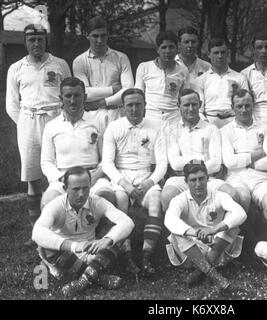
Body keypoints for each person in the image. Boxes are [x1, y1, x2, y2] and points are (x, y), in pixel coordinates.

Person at [6, 24, 72, 246]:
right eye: (31, 39)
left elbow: (69, 93)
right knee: (33, 178)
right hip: (29, 123)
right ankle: (37, 232)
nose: (36, 43)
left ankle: (65, 226)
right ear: (25, 42)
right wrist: (26, 124)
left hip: (55, 120)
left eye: (40, 39)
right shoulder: (16, 68)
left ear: (46, 41)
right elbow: (11, 105)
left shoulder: (59, 64)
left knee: (61, 174)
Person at [32, 166, 135, 298]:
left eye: (85, 188)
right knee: (44, 247)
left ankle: (82, 281)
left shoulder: (96, 202)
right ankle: (98, 277)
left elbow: (127, 222)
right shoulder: (56, 205)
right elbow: (37, 232)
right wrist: (74, 246)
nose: (81, 194)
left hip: (92, 255)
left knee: (119, 235)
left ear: (90, 186)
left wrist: (107, 239)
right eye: (75, 189)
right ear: (65, 189)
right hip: (64, 259)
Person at [102, 88, 167, 275]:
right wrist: (125, 185)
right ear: (123, 107)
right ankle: (127, 256)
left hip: (146, 175)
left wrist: (149, 182)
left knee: (155, 202)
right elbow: (107, 163)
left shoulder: (157, 126)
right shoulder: (114, 127)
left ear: (145, 105)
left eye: (138, 104)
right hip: (122, 177)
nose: (134, 109)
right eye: (129, 105)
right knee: (121, 202)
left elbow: (162, 163)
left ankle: (147, 256)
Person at [164, 161, 246, 290]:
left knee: (232, 224)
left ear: (208, 178)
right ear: (186, 181)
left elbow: (240, 213)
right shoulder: (179, 199)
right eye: (193, 180)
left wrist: (214, 230)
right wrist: (195, 233)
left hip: (216, 249)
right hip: (190, 253)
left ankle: (200, 272)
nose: (198, 184)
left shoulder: (218, 195)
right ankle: (213, 274)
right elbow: (169, 220)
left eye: (201, 179)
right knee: (178, 231)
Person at [161, 88, 239, 212]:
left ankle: (224, 231)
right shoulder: (171, 130)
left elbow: (216, 164)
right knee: (166, 195)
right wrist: (202, 159)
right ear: (178, 106)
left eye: (194, 104)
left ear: (200, 105)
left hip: (208, 178)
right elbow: (175, 164)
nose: (191, 109)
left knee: (232, 194)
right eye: (186, 105)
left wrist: (190, 165)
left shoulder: (212, 129)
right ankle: (175, 231)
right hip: (181, 179)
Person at [41, 77, 115, 207]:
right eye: (68, 96)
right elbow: (46, 162)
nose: (72, 101)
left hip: (92, 177)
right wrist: (63, 178)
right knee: (48, 201)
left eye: (77, 96)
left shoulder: (98, 122)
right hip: (63, 178)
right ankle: (60, 228)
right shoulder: (51, 126)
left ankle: (97, 228)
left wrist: (96, 175)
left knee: (106, 196)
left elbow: (107, 158)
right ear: (60, 98)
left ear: (85, 97)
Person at [221, 89, 267, 223]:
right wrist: (256, 155)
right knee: (242, 199)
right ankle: (243, 241)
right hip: (236, 178)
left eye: (247, 105)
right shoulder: (225, 131)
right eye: (239, 106)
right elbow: (229, 162)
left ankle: (263, 240)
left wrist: (245, 160)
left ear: (253, 105)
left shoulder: (265, 129)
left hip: (261, 179)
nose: (244, 110)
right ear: (232, 108)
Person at [73, 16, 134, 127]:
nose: (99, 40)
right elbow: (85, 93)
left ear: (108, 35)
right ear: (87, 36)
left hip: (117, 114)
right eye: (95, 36)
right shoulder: (79, 61)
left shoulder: (121, 58)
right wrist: (113, 89)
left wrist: (101, 103)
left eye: (103, 35)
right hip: (91, 116)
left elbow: (128, 91)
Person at [135, 30, 190, 132]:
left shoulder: (183, 70)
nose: (168, 51)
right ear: (157, 49)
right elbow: (138, 96)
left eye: (171, 47)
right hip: (151, 117)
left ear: (177, 49)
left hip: (174, 119)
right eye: (164, 47)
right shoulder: (144, 67)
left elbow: (185, 98)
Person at [195, 38, 248, 128]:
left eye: (223, 52)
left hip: (234, 122)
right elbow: (199, 109)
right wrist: (206, 125)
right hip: (210, 122)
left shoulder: (240, 77)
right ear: (209, 54)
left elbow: (246, 103)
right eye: (216, 53)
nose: (220, 56)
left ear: (227, 54)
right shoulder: (201, 80)